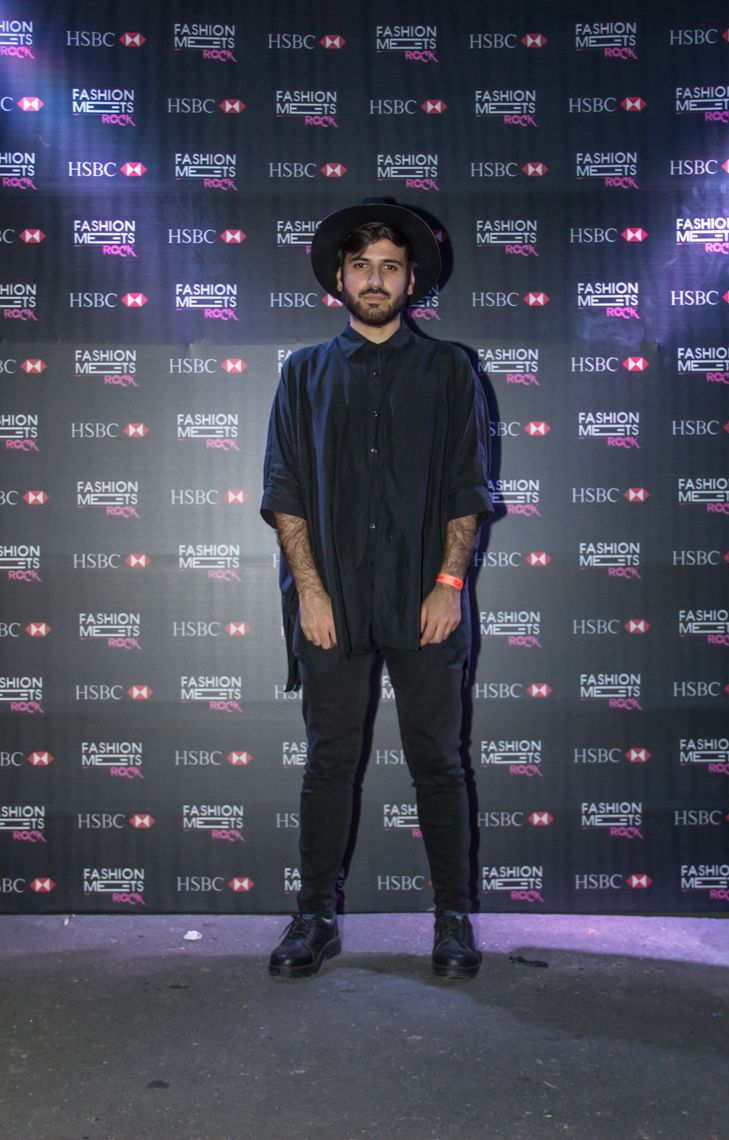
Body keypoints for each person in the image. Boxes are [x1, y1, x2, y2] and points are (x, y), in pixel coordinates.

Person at [261, 200, 493, 979]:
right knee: (330, 763)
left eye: (390, 267)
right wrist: (311, 591)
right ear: (339, 276)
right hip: (332, 601)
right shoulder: (303, 372)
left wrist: (449, 584)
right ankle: (314, 918)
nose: (374, 280)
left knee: (439, 763)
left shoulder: (450, 369)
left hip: (425, 600)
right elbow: (285, 491)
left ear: (411, 281)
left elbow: (467, 487)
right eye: (361, 266)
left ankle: (452, 919)